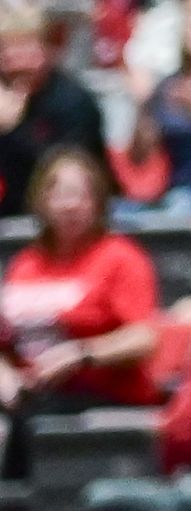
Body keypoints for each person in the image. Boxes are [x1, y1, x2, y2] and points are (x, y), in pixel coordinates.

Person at [0, 147, 161, 419]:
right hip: (29, 397)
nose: (70, 205)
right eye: (60, 194)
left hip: (101, 398)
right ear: (41, 201)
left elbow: (144, 338)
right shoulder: (25, 263)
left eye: (80, 195)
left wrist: (81, 354)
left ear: (98, 202)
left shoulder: (121, 257)